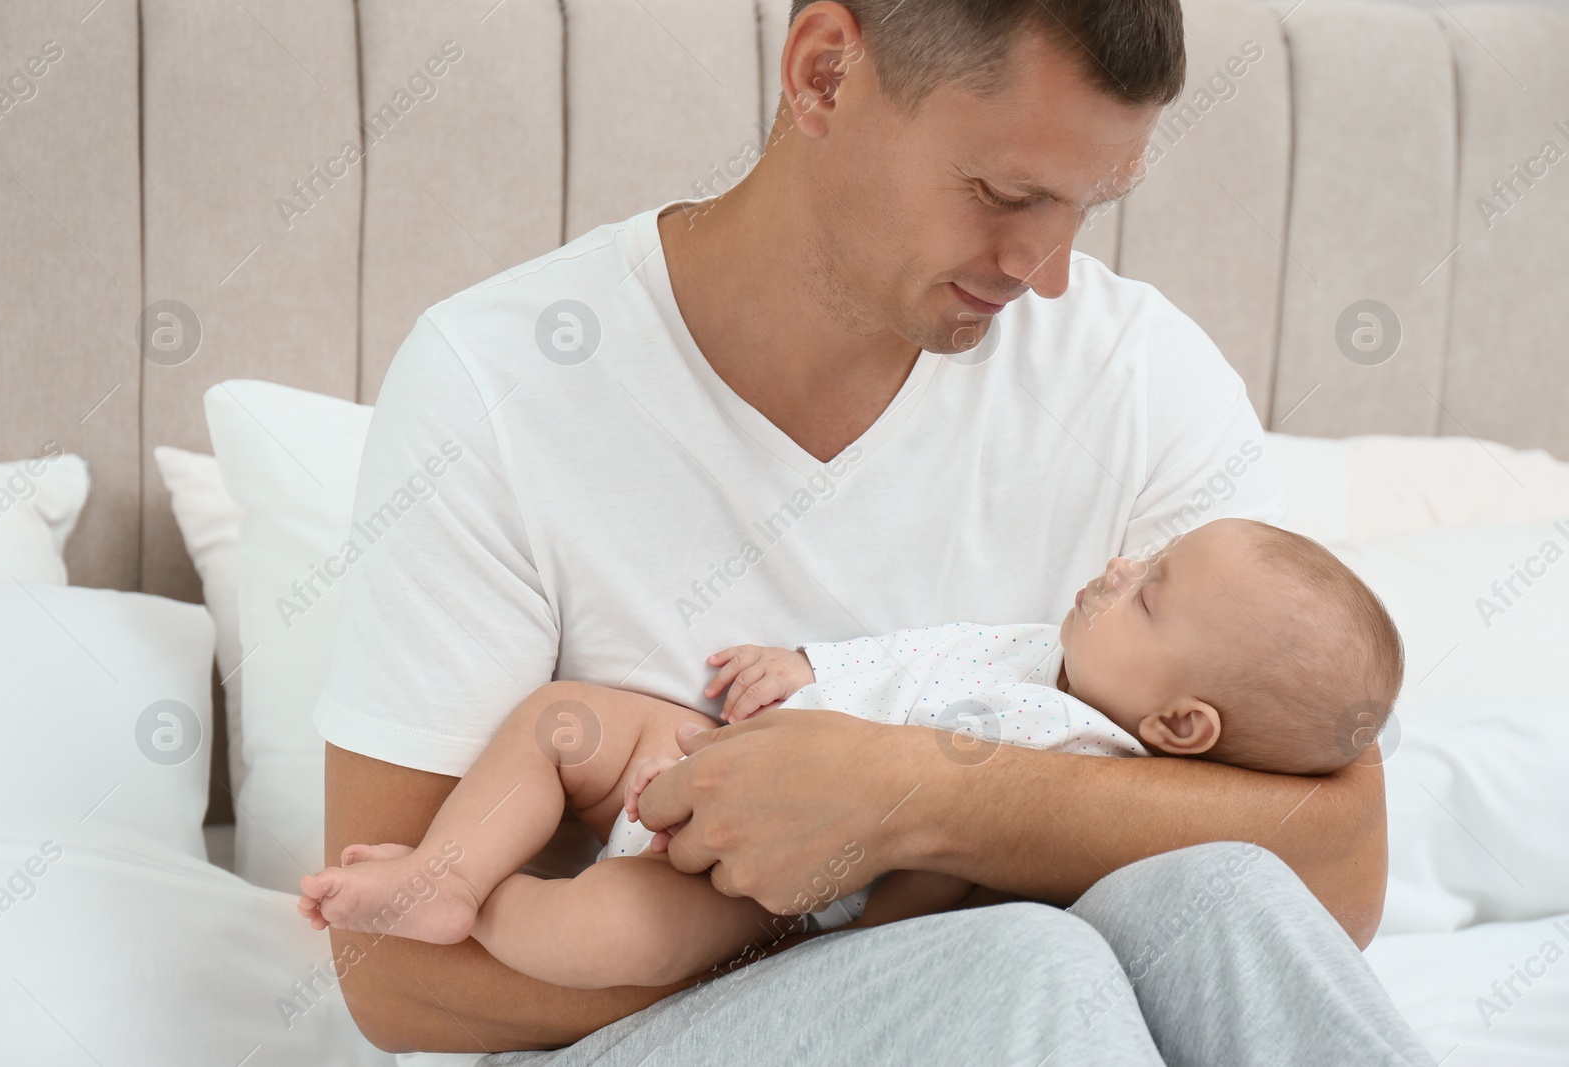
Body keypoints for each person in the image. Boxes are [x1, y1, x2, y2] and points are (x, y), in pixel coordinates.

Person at [313, 1, 1434, 1063]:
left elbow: (1332, 862)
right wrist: (832, 938)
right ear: (825, 74)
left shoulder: (1138, 373)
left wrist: (912, 796)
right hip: (633, 1017)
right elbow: (391, 971)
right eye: (1003, 191)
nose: (1043, 272)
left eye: (1086, 205)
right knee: (1021, 961)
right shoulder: (499, 381)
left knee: (1213, 896)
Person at [298, 517, 1406, 988]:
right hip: (713, 740)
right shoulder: (1046, 651)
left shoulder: (1090, 767)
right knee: (563, 717)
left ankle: (491, 913)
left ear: (1181, 726)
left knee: (593, 930)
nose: (1117, 565)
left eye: (1148, 590)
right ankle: (447, 874)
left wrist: (848, 927)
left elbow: (948, 879)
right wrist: (805, 664)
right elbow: (921, 654)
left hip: (771, 895)